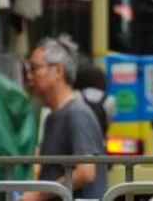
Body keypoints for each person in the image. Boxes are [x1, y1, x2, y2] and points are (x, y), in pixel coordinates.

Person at [24, 39, 107, 201]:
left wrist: (40, 195)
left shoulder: (77, 113)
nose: (29, 76)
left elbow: (85, 172)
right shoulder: (51, 116)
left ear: (58, 71)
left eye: (34, 68)